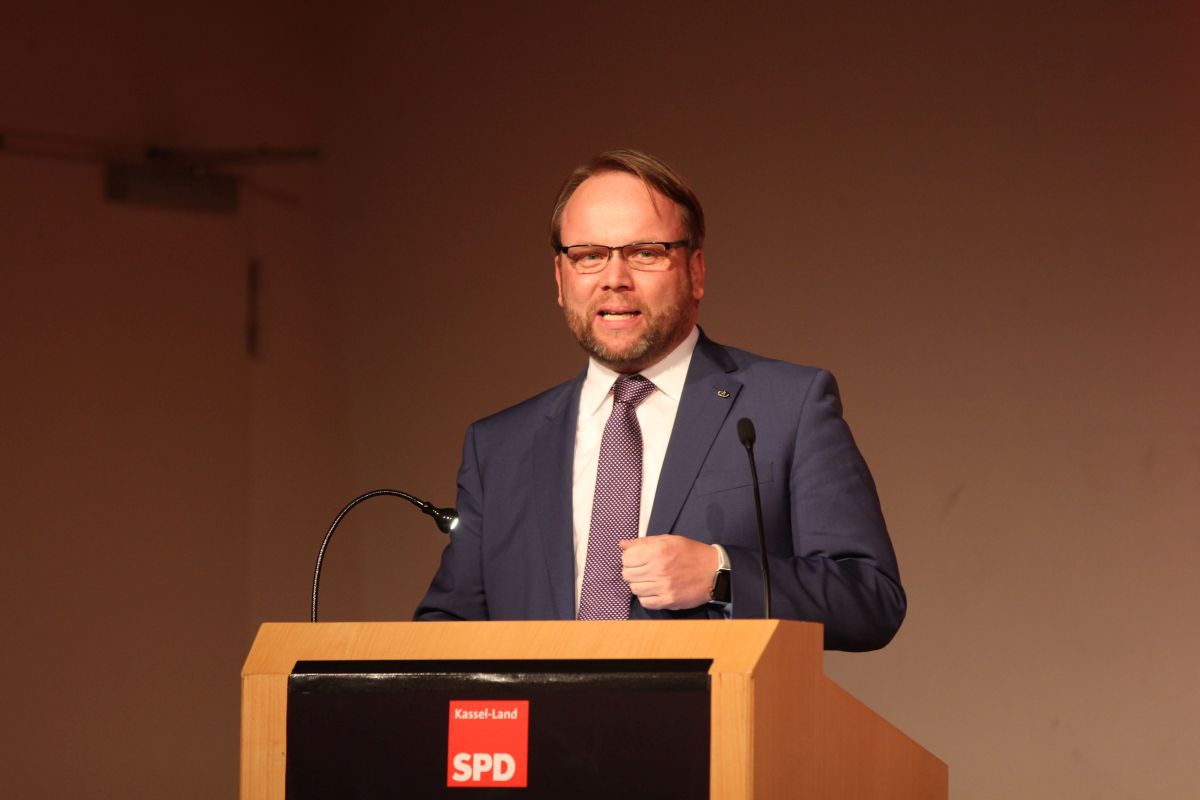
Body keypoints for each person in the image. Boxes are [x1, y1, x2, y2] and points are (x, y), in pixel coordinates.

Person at [415, 149, 905, 651]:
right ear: (560, 279)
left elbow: (870, 599)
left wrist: (722, 575)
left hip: (716, 704)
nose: (614, 278)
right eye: (589, 255)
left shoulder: (788, 407)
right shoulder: (499, 448)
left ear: (696, 272)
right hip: (545, 706)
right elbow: (447, 629)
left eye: (645, 252)